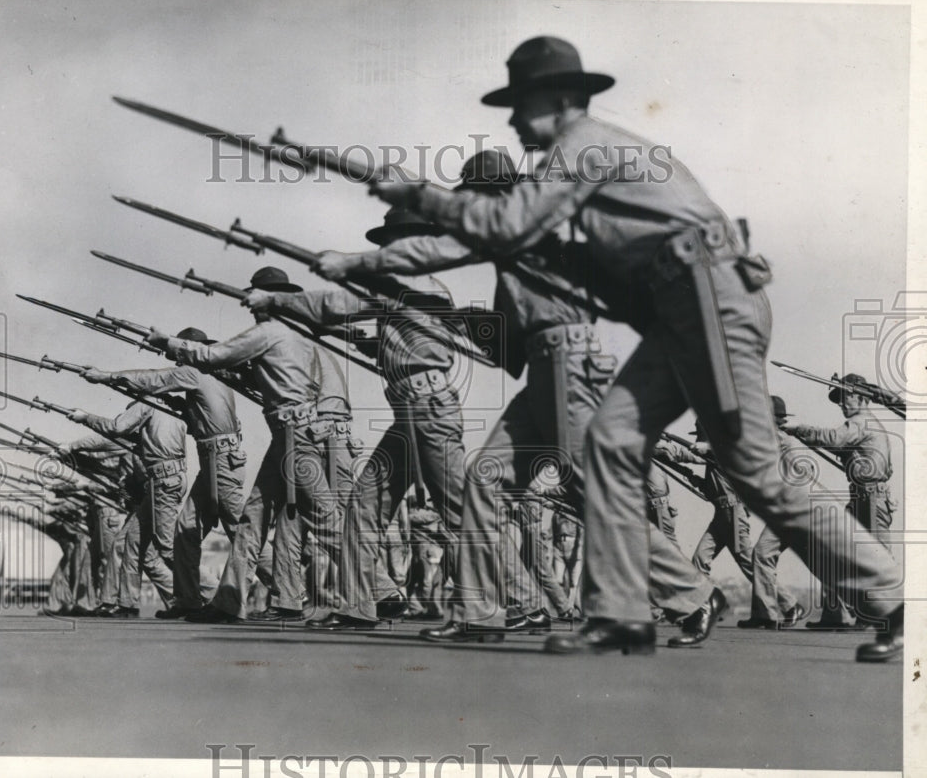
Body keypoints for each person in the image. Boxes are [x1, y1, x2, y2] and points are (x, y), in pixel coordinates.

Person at [370, 36, 903, 661]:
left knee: (756, 473)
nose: (513, 120)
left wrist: (413, 196)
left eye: (522, 105)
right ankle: (622, 615)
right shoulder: (576, 159)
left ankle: (893, 601)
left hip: (711, 302)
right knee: (611, 443)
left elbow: (507, 227)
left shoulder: (583, 146)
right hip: (683, 309)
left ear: (563, 100)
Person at [328, 147, 717, 643]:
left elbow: (453, 250)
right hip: (544, 365)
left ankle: (693, 595)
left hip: (568, 364)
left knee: (591, 494)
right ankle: (479, 614)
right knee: (484, 478)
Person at [250, 213, 466, 630]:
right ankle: (356, 607)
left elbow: (336, 306)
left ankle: (514, 603)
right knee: (362, 508)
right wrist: (375, 343)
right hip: (409, 410)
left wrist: (276, 301)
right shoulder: (417, 287)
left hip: (426, 409)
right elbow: (408, 340)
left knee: (459, 511)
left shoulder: (408, 281)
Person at [147, 267, 355, 623]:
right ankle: (232, 602)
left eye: (256, 299)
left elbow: (216, 357)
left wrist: (168, 342)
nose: (250, 306)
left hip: (297, 435)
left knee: (323, 519)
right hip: (291, 435)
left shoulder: (271, 331)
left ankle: (380, 589)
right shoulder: (298, 337)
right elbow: (252, 374)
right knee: (252, 519)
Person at [79, 327, 248, 620]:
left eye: (180, 352)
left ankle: (285, 594)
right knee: (184, 531)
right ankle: (188, 600)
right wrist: (179, 406)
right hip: (211, 460)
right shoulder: (209, 378)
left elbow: (156, 379)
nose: (176, 357)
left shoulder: (195, 372)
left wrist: (106, 376)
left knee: (243, 530)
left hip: (219, 460)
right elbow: (201, 420)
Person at [656, 422, 802, 624]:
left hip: (733, 514)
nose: (698, 437)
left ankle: (789, 604)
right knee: (700, 560)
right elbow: (712, 486)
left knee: (749, 564)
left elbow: (695, 454)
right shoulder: (712, 457)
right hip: (722, 515)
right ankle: (698, 610)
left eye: (701, 434)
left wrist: (666, 449)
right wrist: (696, 480)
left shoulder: (724, 453)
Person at [784, 374, 899, 630]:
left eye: (845, 397)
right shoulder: (859, 425)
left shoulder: (861, 422)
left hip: (871, 498)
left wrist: (800, 430)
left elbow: (834, 439)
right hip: (860, 496)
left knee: (878, 559)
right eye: (840, 399)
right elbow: (839, 446)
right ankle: (836, 615)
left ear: (860, 397)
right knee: (834, 549)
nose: (842, 404)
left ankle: (882, 615)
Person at [66, 402, 187, 617]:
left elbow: (104, 440)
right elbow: (99, 460)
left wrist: (72, 446)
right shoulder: (142, 438)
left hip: (158, 491)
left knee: (162, 548)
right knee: (132, 547)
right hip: (150, 496)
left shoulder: (133, 439)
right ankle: (127, 604)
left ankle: (204, 594)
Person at [737, 395, 808, 629]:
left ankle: (772, 612)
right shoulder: (777, 439)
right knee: (764, 554)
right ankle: (766, 613)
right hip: (790, 507)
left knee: (763, 553)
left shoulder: (779, 440)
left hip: (792, 507)